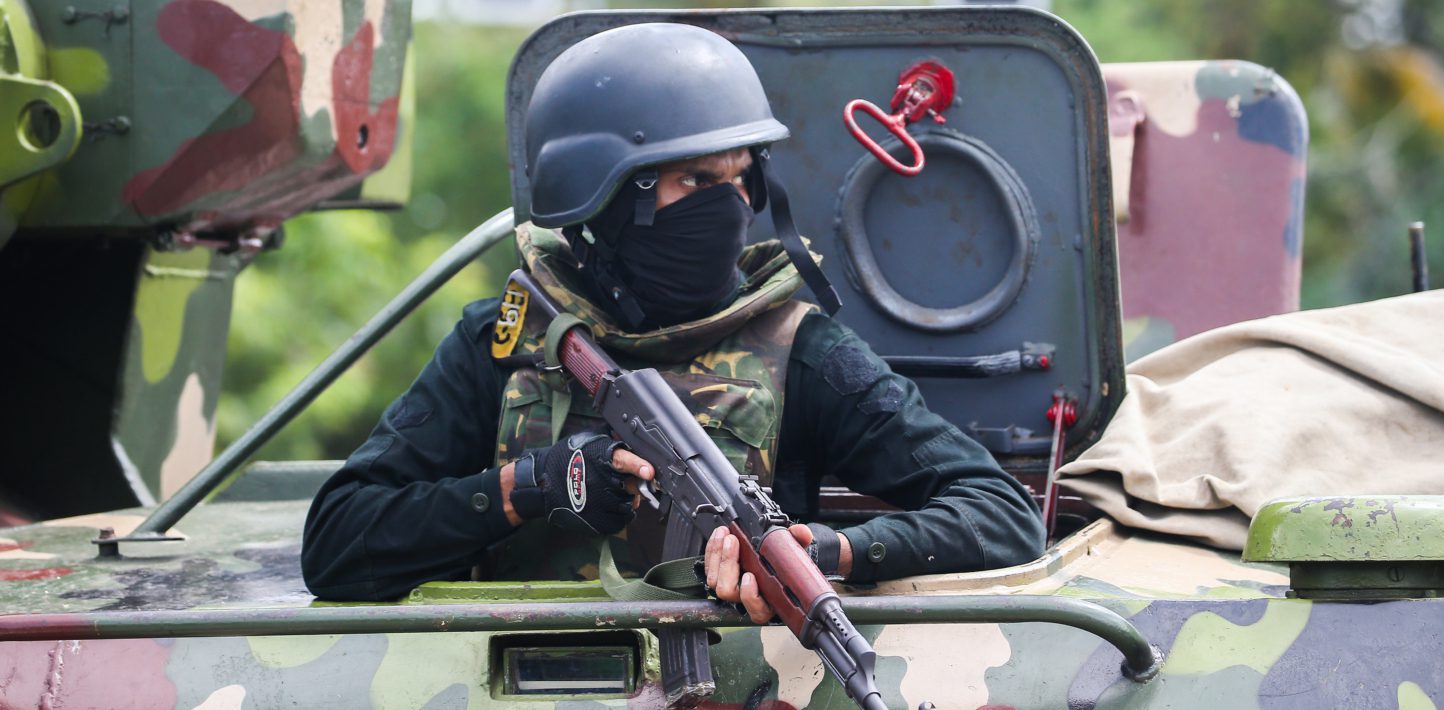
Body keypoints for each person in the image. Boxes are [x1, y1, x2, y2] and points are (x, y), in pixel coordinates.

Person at [301, 22, 1044, 622]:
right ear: (606, 201)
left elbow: (1000, 514)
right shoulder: (503, 342)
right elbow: (339, 543)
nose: (726, 208)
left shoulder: (803, 351)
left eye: (737, 178)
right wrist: (529, 486)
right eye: (694, 180)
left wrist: (830, 551)